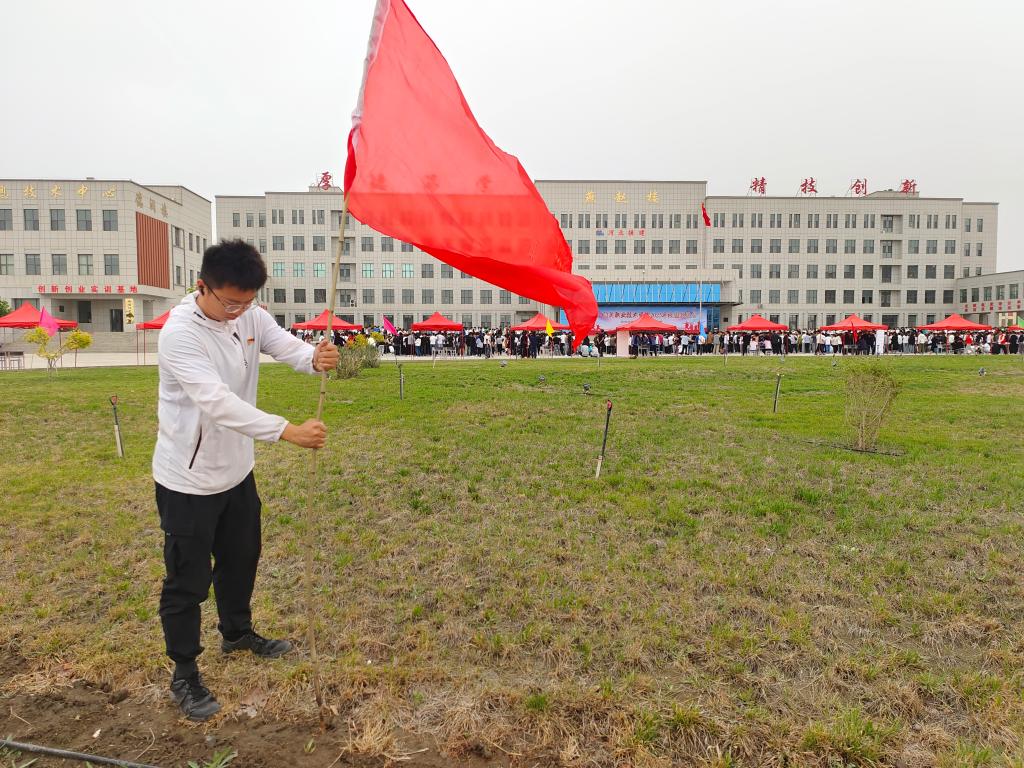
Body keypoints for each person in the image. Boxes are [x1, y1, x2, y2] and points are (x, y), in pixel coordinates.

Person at [153, 240, 339, 722]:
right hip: (188, 480)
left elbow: (285, 345)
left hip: (237, 472)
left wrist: (312, 357)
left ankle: (236, 632)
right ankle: (185, 672)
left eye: (248, 302)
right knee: (187, 580)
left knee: (241, 558)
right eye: (231, 302)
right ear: (203, 287)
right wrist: (286, 431)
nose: (239, 311)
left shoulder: (249, 316)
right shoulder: (180, 334)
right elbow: (216, 402)